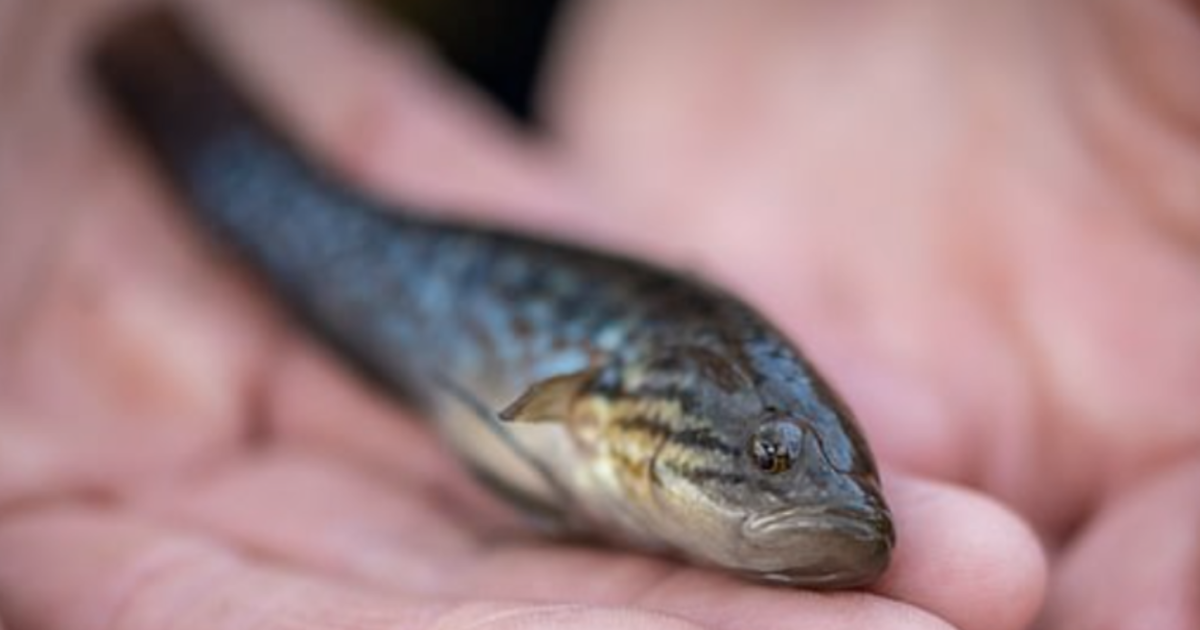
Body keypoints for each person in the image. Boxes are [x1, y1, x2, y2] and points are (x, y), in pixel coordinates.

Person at [0, 1, 1195, 629]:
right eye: (775, 456)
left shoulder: (655, 429)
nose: (816, 498)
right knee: (261, 204)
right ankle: (148, 67)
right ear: (620, 405)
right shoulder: (596, 407)